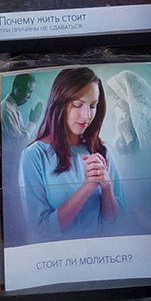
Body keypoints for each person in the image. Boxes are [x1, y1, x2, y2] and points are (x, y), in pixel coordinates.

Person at [19, 67, 124, 237]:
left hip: (101, 255)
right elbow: (40, 230)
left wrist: (107, 187)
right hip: (57, 259)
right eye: (77, 105)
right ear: (59, 104)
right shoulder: (34, 156)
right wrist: (87, 187)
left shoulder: (101, 151)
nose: (86, 115)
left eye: (92, 106)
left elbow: (115, 221)